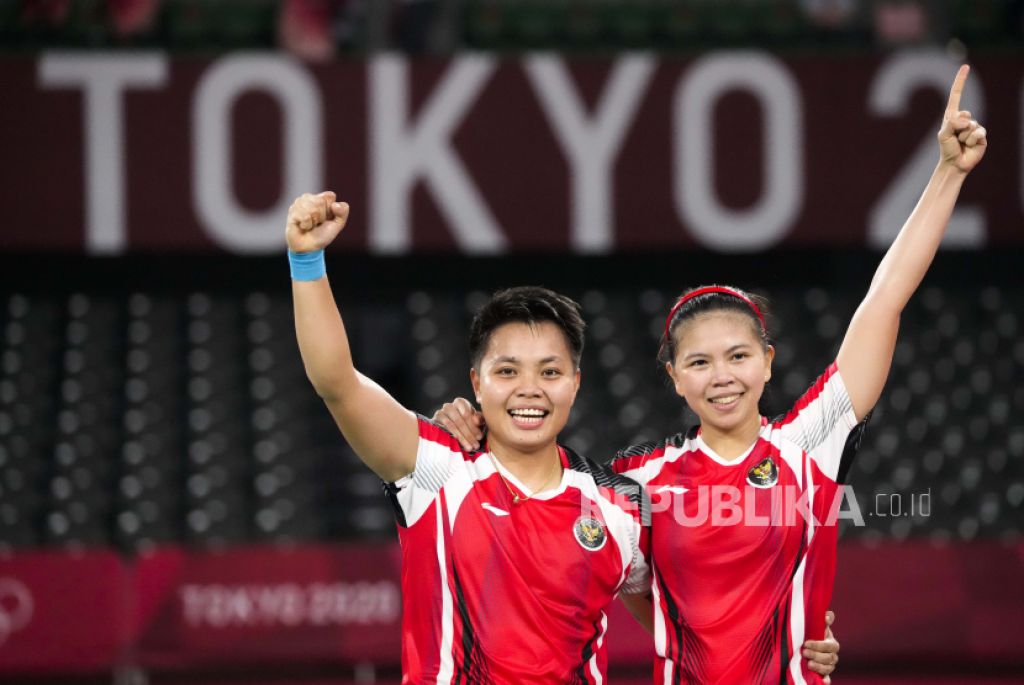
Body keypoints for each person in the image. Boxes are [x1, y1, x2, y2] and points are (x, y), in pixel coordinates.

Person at [433, 65, 985, 683]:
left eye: (738, 356)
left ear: (768, 362)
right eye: (699, 362)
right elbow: (602, 564)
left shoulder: (812, 446)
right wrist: (464, 430)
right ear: (673, 377)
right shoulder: (636, 481)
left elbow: (884, 301)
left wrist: (947, 174)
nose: (722, 376)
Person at [289, 201, 653, 684]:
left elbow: (685, 630)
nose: (530, 389)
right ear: (476, 384)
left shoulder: (622, 505)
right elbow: (337, 381)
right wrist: (306, 260)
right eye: (507, 371)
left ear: (576, 383)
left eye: (550, 371)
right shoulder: (436, 466)